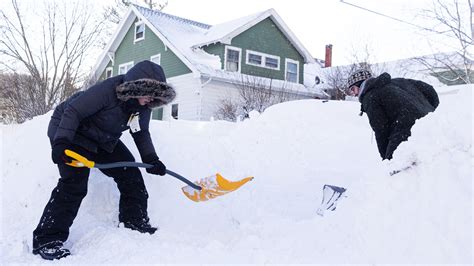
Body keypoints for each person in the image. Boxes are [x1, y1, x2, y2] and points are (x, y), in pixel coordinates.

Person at [32, 60, 176, 260]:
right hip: (72, 131)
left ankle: (134, 222)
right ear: (136, 87)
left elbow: (141, 132)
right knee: (74, 184)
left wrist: (151, 159)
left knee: (130, 172)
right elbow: (73, 111)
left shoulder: (142, 107)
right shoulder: (108, 90)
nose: (150, 100)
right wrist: (61, 142)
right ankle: (47, 240)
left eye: (155, 96)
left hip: (103, 138)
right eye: (148, 94)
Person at [347, 69, 439, 160]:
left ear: (360, 84)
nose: (354, 94)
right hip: (432, 125)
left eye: (352, 89)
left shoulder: (369, 97)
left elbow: (381, 130)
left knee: (397, 166)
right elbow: (429, 90)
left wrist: (386, 158)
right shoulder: (397, 81)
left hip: (406, 131)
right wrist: (429, 110)